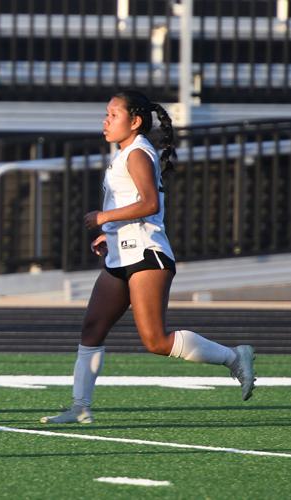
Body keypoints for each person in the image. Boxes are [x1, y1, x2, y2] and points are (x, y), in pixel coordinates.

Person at [41, 90, 256, 424]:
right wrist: (108, 234)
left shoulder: (138, 152)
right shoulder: (125, 153)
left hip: (146, 254)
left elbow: (149, 204)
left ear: (135, 121)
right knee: (92, 329)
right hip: (121, 254)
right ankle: (79, 407)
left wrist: (103, 218)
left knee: (155, 340)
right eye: (106, 114)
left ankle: (233, 357)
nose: (106, 121)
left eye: (113, 115)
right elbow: (135, 207)